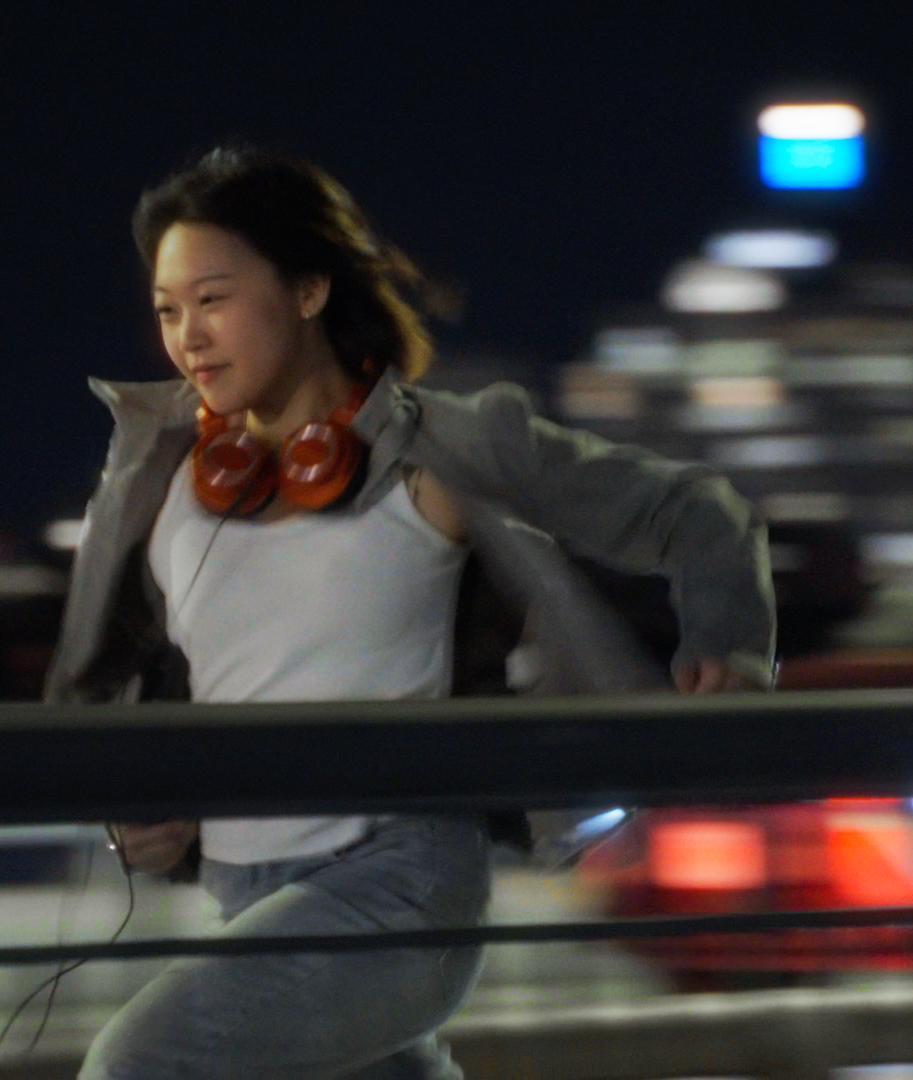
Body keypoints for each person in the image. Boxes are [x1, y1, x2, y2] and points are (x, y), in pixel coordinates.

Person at [49, 146, 775, 1079]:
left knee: (140, 1064)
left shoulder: (438, 452)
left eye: (214, 298)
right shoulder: (164, 483)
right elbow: (143, 680)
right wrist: (142, 810)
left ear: (308, 289)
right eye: (167, 309)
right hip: (246, 895)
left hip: (400, 890)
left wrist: (730, 644)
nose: (189, 336)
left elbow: (694, 511)